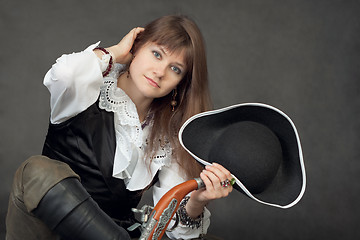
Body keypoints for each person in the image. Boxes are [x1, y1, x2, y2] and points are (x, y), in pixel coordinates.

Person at [6, 15, 233, 240]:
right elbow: (64, 74)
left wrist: (197, 201)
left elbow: (174, 227)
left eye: (175, 69)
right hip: (51, 230)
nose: (160, 71)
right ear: (137, 46)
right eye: (156, 54)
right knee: (36, 170)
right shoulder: (88, 87)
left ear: (180, 84)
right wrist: (113, 52)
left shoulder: (168, 136)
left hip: (119, 232)